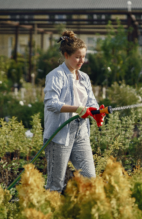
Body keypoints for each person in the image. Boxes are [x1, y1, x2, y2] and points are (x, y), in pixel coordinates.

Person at [43, 30, 105, 193]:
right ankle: (49, 215)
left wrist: (98, 112)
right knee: (54, 185)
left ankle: (78, 212)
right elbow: (51, 103)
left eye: (83, 57)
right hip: (59, 134)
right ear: (66, 54)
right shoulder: (55, 76)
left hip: (81, 132)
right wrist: (78, 109)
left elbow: (91, 101)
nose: (81, 61)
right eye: (77, 57)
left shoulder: (84, 78)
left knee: (90, 179)